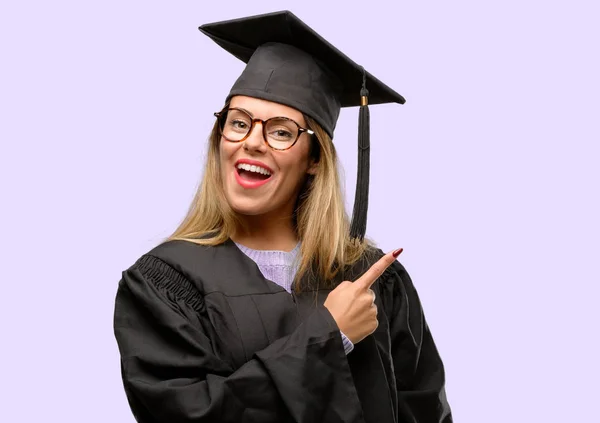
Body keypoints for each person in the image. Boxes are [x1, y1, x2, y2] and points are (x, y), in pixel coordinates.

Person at [113, 10, 452, 423]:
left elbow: (424, 411)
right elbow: (187, 415)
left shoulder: (376, 280)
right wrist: (331, 335)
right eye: (237, 123)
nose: (251, 142)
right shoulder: (163, 283)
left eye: (280, 130)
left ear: (314, 159)